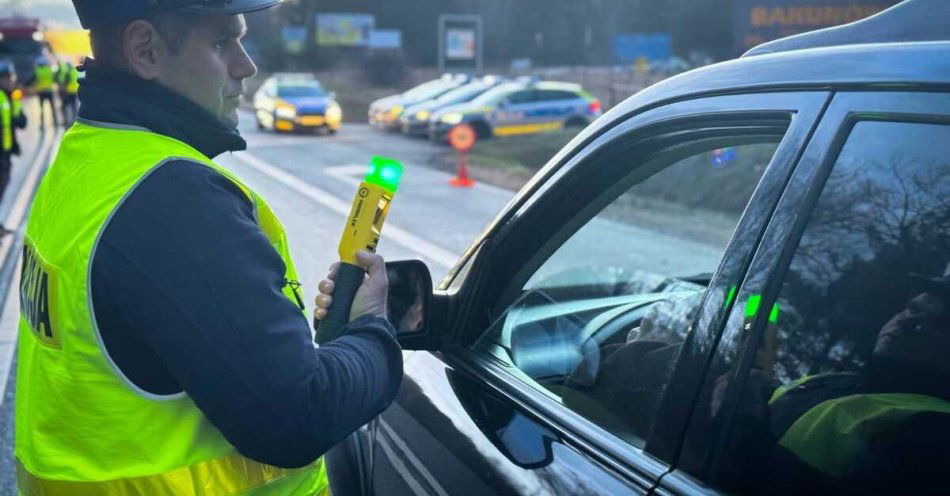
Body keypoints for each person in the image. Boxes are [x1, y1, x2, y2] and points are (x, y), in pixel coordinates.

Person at [15, 1, 402, 495]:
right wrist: (374, 334)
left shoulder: (87, 159)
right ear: (145, 50)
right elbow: (297, 418)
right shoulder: (174, 201)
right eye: (222, 42)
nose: (247, 65)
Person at [0, 61, 26, 236]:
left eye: (12, 77)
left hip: (5, 151)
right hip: (1, 152)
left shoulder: (9, 98)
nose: (11, 81)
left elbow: (20, 123)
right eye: (8, 78)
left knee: (3, 185)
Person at [29, 58, 58, 128]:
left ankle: (42, 124)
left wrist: (25, 85)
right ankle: (55, 123)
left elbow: (32, 79)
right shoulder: (49, 70)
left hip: (41, 92)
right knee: (53, 108)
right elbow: (55, 78)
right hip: (49, 91)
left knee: (41, 109)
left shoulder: (37, 71)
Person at [56, 59, 80, 127]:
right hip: (75, 91)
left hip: (69, 92)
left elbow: (64, 83)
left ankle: (67, 121)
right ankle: (75, 121)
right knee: (74, 107)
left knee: (67, 107)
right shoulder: (75, 71)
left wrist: (62, 92)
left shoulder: (67, 73)